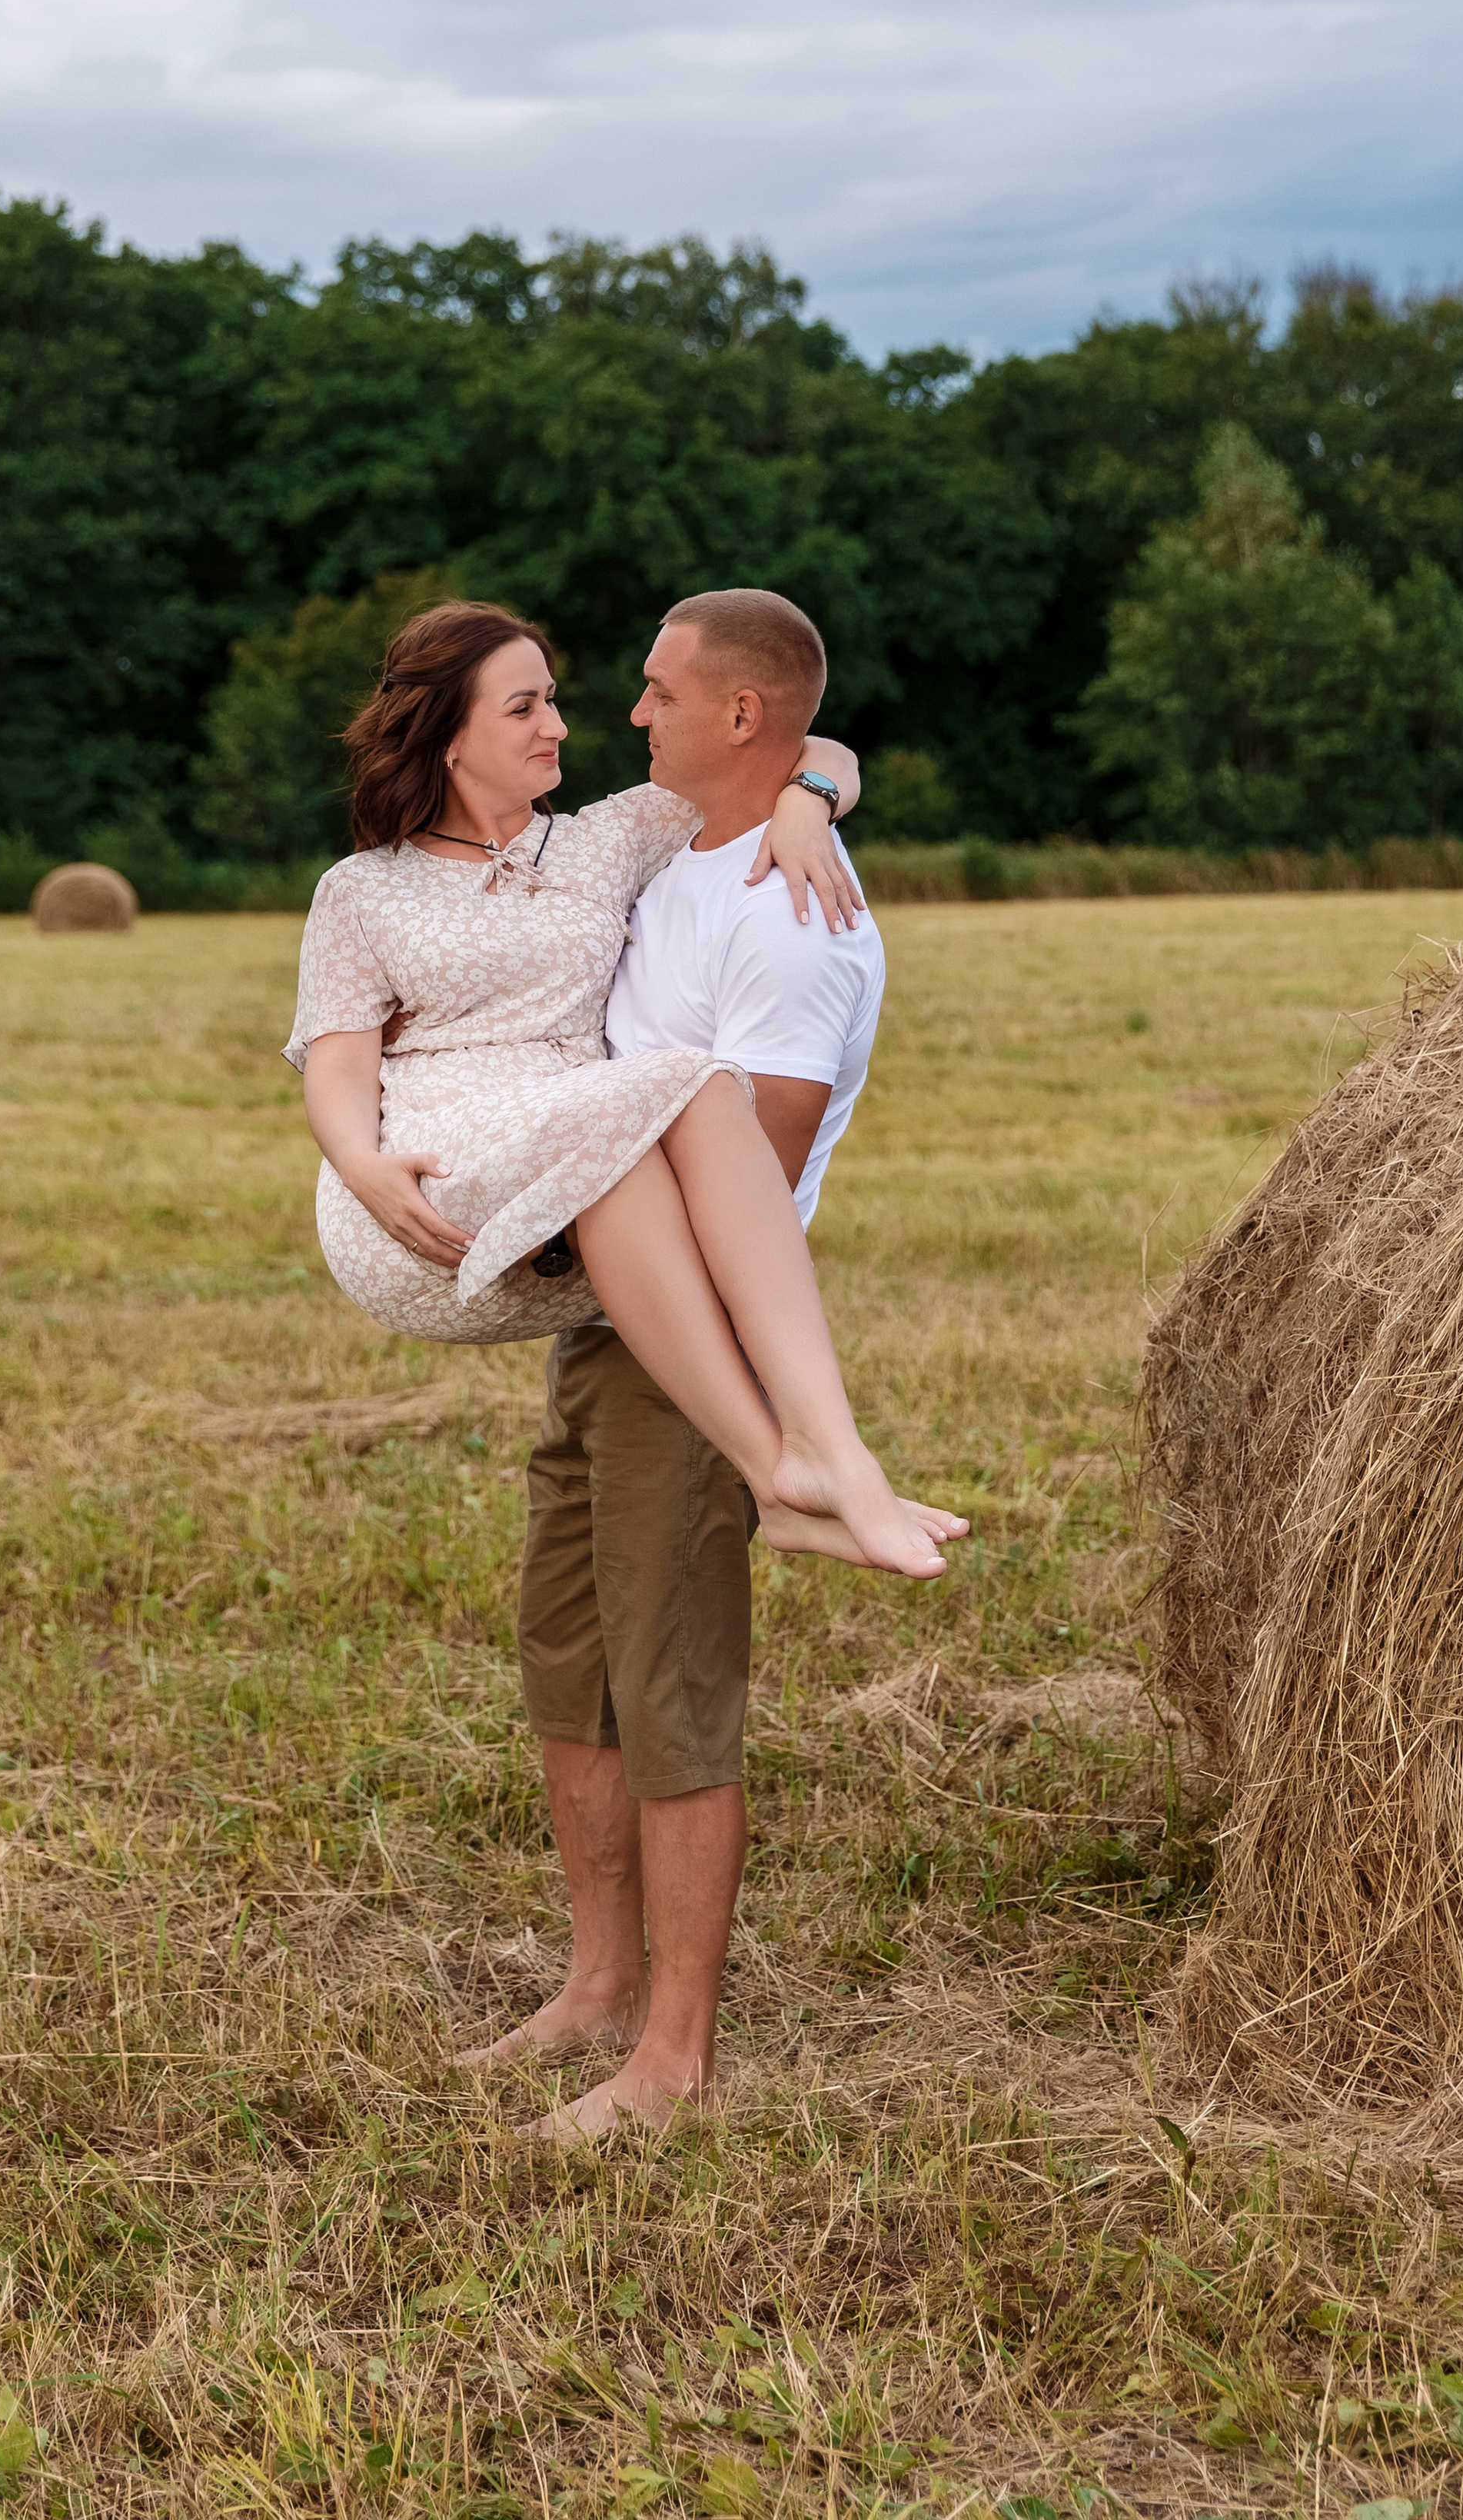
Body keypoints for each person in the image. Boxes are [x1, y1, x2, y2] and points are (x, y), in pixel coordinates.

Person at [284, 597, 964, 1587]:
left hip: (569, 1152)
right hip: (419, 1180)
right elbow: (341, 1060)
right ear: (448, 734)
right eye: (524, 708)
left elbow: (792, 735)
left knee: (640, 1139)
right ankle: (827, 1455)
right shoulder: (360, 889)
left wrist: (808, 799)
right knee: (688, 1088)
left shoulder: (607, 838)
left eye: (553, 700)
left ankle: (788, 1480)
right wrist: (361, 1165)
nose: (561, 725)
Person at [467, 586, 899, 2139]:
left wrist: (808, 804)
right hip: (600, 1322)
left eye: (656, 693)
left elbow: (751, 1175)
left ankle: (673, 2056)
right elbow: (820, 733)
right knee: (568, 1659)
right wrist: (810, 783)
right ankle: (594, 1986)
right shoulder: (693, 845)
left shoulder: (794, 919)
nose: (626, 717)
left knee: (671, 1685)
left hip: (690, 1333)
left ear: (731, 715)